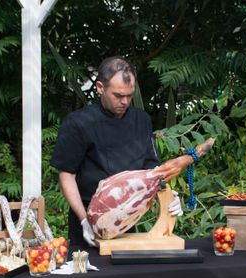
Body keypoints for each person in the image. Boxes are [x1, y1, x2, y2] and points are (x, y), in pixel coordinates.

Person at [50, 56, 182, 247]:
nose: (125, 101)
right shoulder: (79, 123)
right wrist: (84, 220)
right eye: (118, 95)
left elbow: (151, 170)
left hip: (129, 218)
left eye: (130, 95)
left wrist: (168, 195)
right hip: (89, 219)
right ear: (100, 88)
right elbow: (67, 174)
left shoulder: (141, 120)